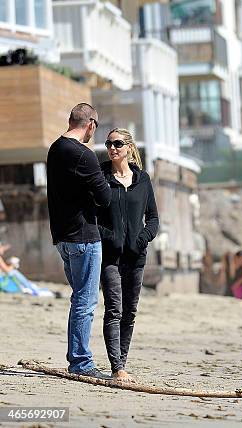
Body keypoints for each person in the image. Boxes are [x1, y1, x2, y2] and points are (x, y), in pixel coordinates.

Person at [47, 103, 112, 379]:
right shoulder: (83, 155)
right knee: (85, 302)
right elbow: (105, 198)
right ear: (91, 125)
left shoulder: (55, 149)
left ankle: (78, 358)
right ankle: (81, 362)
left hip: (62, 237)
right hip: (84, 236)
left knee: (79, 300)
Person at [97, 128, 159, 383]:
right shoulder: (100, 177)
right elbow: (89, 217)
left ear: (129, 148)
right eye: (108, 143)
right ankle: (117, 368)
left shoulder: (142, 179)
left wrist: (142, 238)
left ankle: (122, 361)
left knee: (129, 312)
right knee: (114, 309)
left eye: (117, 143)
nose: (112, 148)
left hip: (136, 257)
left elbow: (153, 218)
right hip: (109, 256)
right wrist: (109, 236)